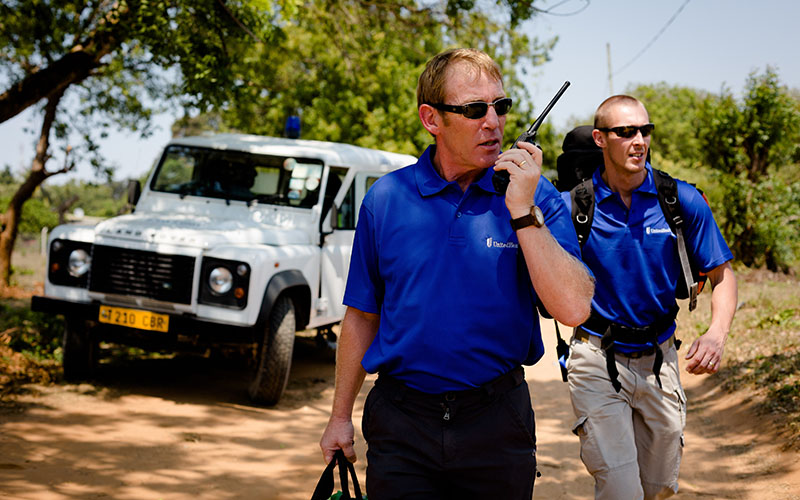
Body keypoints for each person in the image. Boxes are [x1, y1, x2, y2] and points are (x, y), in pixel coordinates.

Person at [318, 48, 595, 499]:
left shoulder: (534, 194)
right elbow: (362, 315)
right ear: (432, 119)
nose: (493, 122)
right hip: (401, 423)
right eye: (473, 110)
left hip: (497, 421)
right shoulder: (386, 199)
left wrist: (523, 212)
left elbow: (574, 307)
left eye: (499, 106)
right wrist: (339, 416)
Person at [563, 95, 738, 500]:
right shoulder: (573, 207)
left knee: (659, 488)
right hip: (595, 358)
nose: (639, 140)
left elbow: (722, 275)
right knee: (622, 489)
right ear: (600, 139)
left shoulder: (680, 201)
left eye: (645, 130)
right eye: (626, 132)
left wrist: (716, 334)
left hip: (661, 358)